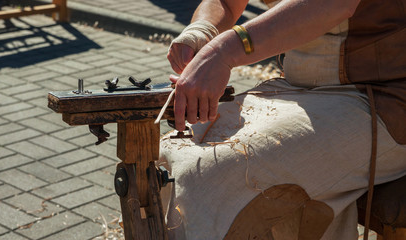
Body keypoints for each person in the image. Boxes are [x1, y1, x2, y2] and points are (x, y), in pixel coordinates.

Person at [159, 0, 406, 239]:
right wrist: (202, 29)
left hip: (383, 97)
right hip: (296, 90)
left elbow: (335, 3)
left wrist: (225, 50)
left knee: (212, 175)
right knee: (166, 156)